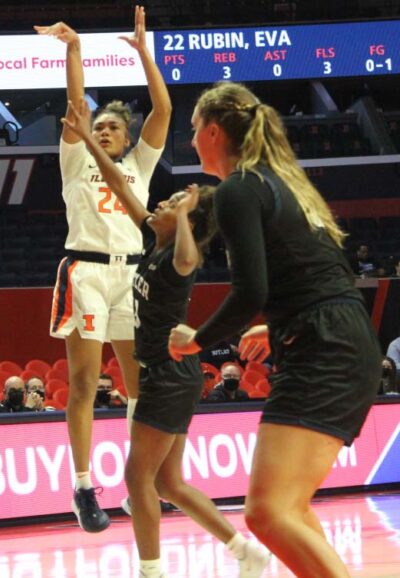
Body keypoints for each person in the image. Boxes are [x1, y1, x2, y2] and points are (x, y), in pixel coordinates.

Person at [169, 81, 381, 577]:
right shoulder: (281, 181)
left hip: (325, 346)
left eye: (194, 129)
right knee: (290, 509)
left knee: (265, 512)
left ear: (214, 131)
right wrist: (278, 323)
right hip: (342, 336)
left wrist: (198, 340)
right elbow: (319, 271)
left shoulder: (238, 189)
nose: (192, 140)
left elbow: (249, 292)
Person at [62, 97, 269, 578]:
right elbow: (118, 183)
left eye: (170, 205)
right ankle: (244, 550)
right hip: (172, 374)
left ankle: (151, 572)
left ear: (186, 226)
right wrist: (88, 137)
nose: (159, 205)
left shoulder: (180, 260)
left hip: (169, 375)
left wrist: (190, 211)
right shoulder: (152, 239)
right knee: (169, 482)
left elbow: (189, 253)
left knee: (139, 478)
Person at [35, 5, 171, 532]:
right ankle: (83, 486)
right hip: (87, 273)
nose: (107, 130)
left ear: (127, 136)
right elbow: (76, 104)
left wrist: (144, 55)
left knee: (140, 386)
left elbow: (163, 108)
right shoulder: (77, 159)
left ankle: (139, 485)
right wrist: (75, 49)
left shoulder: (139, 165)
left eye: (115, 126)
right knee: (86, 381)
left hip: (132, 276)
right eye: (101, 125)